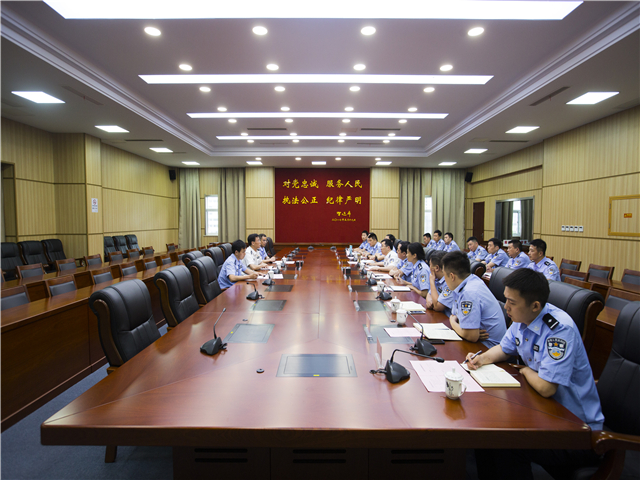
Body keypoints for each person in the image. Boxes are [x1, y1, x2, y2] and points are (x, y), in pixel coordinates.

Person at [468, 269, 603, 480]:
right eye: (506, 299)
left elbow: (547, 388)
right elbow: (504, 348)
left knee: (506, 442)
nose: (506, 306)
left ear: (535, 306)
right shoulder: (522, 318)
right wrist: (480, 359)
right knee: (486, 431)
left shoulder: (559, 330)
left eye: (512, 302)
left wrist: (526, 370)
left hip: (578, 430)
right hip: (546, 412)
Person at [442, 251, 506, 347]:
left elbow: (471, 336)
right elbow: (457, 317)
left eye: (444, 275)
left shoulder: (469, 292)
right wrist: (463, 328)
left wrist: (452, 322)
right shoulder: (469, 281)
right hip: (476, 343)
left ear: (452, 276)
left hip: (487, 347)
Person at [426, 251, 455, 317]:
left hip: (447, 319)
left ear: (436, 268)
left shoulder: (449, 282)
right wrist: (429, 301)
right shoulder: (437, 278)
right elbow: (429, 294)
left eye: (430, 265)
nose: (429, 267)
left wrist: (431, 282)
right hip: (437, 316)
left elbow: (437, 307)